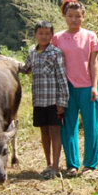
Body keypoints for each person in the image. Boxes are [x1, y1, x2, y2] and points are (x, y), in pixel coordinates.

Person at [51, 0, 98, 177]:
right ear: (65, 16)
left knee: (91, 126)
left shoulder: (90, 36)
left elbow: (94, 63)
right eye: (70, 16)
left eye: (77, 16)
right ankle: (72, 164)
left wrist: (94, 86)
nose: (74, 20)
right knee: (68, 126)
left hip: (88, 87)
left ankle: (90, 164)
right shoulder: (57, 38)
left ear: (83, 17)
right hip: (66, 89)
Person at [20, 20, 69, 179]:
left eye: (47, 33)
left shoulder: (56, 53)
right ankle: (48, 164)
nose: (44, 36)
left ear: (51, 36)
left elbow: (62, 78)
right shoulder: (32, 52)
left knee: (55, 131)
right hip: (39, 100)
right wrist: (9, 63)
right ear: (35, 35)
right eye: (40, 33)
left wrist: (62, 102)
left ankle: (55, 166)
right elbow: (26, 68)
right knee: (44, 132)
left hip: (53, 101)